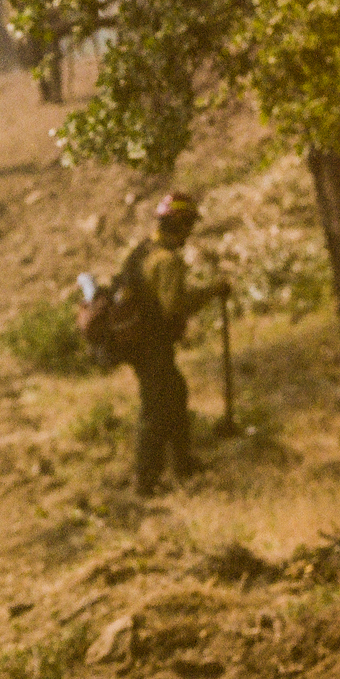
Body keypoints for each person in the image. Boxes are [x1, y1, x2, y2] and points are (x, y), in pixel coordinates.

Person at [129, 192, 229, 496]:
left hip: (140, 342)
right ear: (180, 224)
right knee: (157, 407)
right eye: (189, 225)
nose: (190, 232)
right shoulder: (167, 260)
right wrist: (211, 291)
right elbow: (174, 306)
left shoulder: (143, 249)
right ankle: (146, 481)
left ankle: (182, 465)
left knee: (174, 394)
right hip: (151, 344)